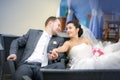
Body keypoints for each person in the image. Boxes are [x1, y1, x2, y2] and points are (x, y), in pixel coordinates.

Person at [51, 21, 120, 69]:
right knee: (91, 63)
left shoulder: (86, 40)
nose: (68, 30)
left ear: (77, 29)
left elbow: (93, 50)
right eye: (66, 29)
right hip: (80, 64)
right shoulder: (68, 43)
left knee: (111, 56)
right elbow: (62, 48)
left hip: (94, 59)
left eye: (70, 28)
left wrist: (97, 53)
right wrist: (56, 50)